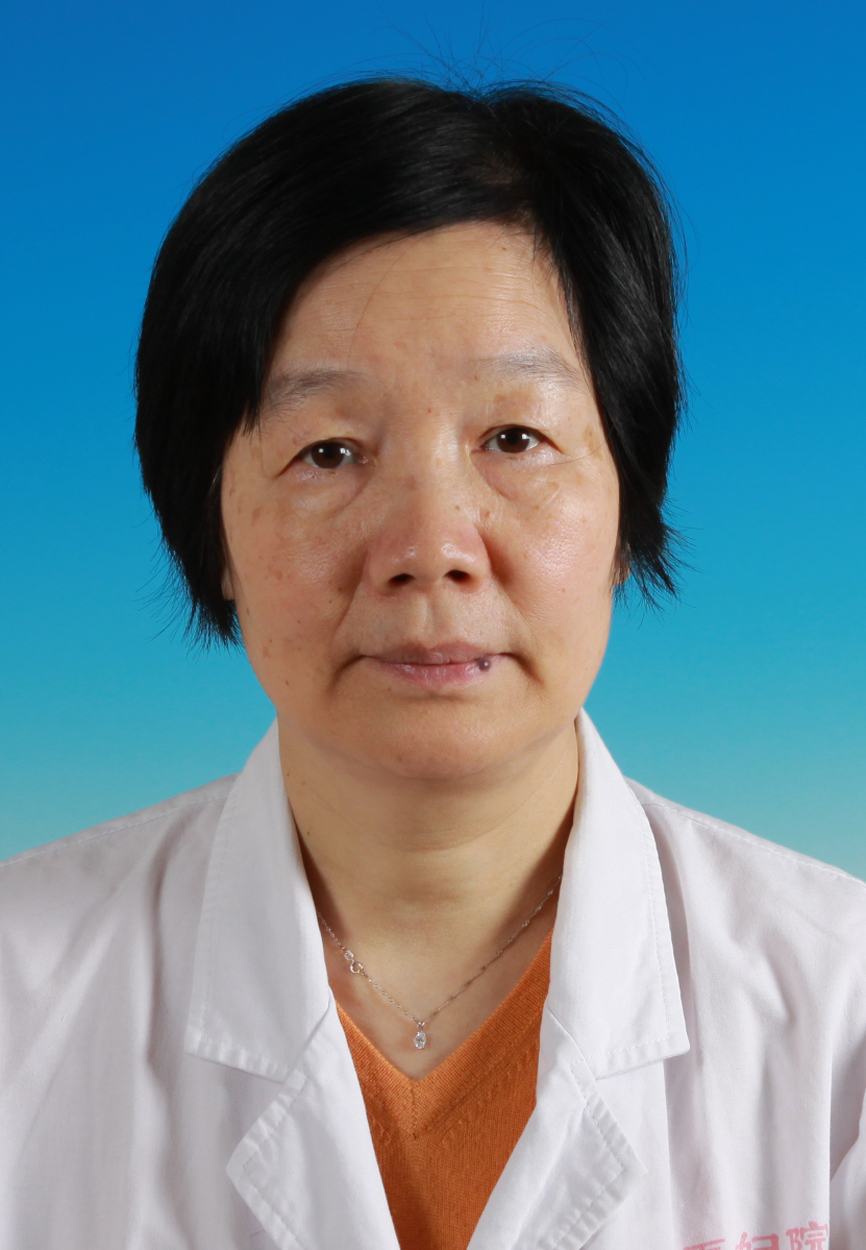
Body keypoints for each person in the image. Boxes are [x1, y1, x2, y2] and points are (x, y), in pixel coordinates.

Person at [0, 76, 863, 1250]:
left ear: (625, 502)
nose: (431, 546)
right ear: (210, 530)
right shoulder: (23, 992)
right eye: (328, 451)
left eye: (513, 437)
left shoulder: (839, 1009)